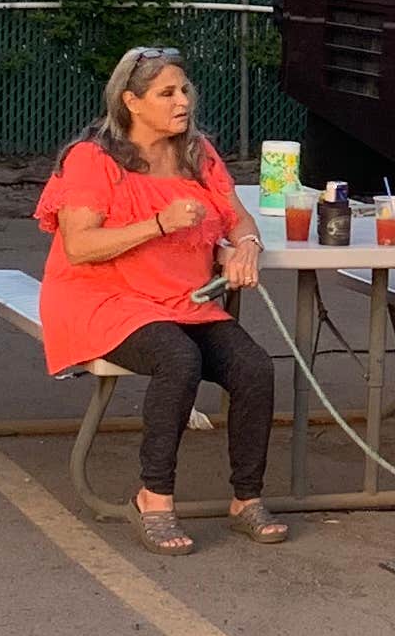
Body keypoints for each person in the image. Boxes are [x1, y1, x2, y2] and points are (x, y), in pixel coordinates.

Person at [34, 46, 283, 555]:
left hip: (183, 300)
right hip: (103, 298)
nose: (183, 101)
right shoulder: (92, 158)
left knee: (255, 368)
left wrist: (247, 248)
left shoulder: (198, 153)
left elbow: (239, 219)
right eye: (167, 92)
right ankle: (154, 498)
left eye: (185, 90)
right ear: (131, 101)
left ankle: (247, 499)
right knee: (178, 358)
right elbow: (80, 246)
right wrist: (160, 224)